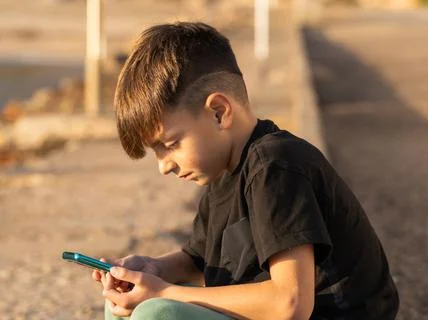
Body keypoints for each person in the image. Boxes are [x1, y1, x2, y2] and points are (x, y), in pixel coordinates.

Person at [92, 22, 399, 320]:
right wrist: (150, 270)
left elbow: (289, 303)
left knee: (158, 313)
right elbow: (198, 264)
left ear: (218, 112)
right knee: (128, 304)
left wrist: (164, 294)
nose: (163, 166)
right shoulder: (222, 174)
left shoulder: (276, 166)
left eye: (170, 144)